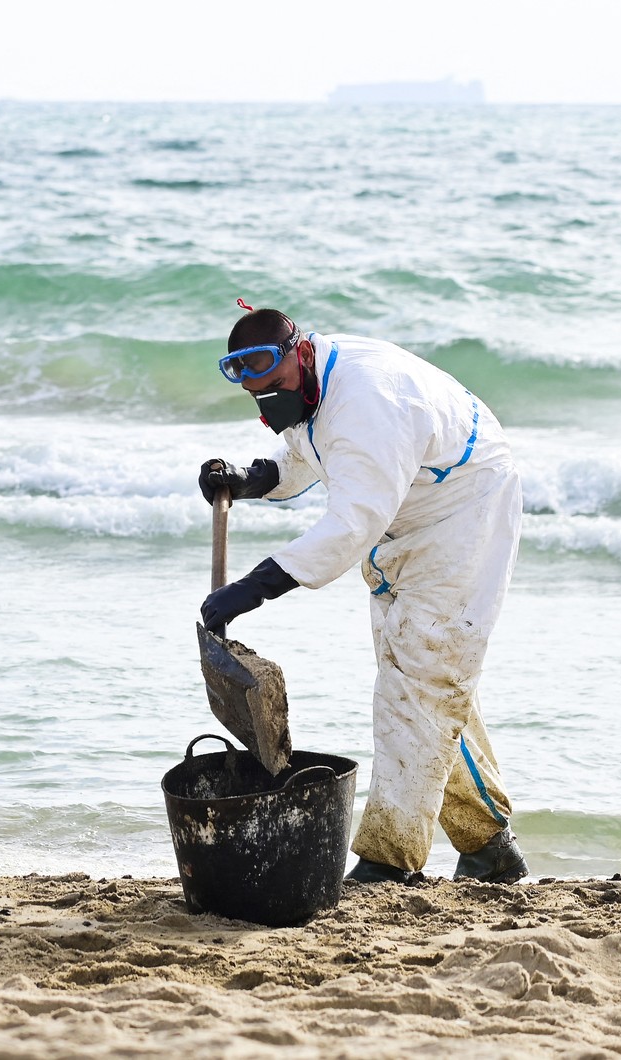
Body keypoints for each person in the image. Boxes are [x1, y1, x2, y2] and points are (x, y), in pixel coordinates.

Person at [197, 300, 528, 885]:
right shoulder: (312, 383)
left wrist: (254, 587)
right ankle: (489, 847)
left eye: (272, 382)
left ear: (300, 351)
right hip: (404, 520)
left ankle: (389, 858)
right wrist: (251, 479)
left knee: (418, 686)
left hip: (463, 517)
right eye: (255, 391)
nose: (266, 398)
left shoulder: (369, 399)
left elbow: (351, 522)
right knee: (423, 682)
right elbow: (309, 450)